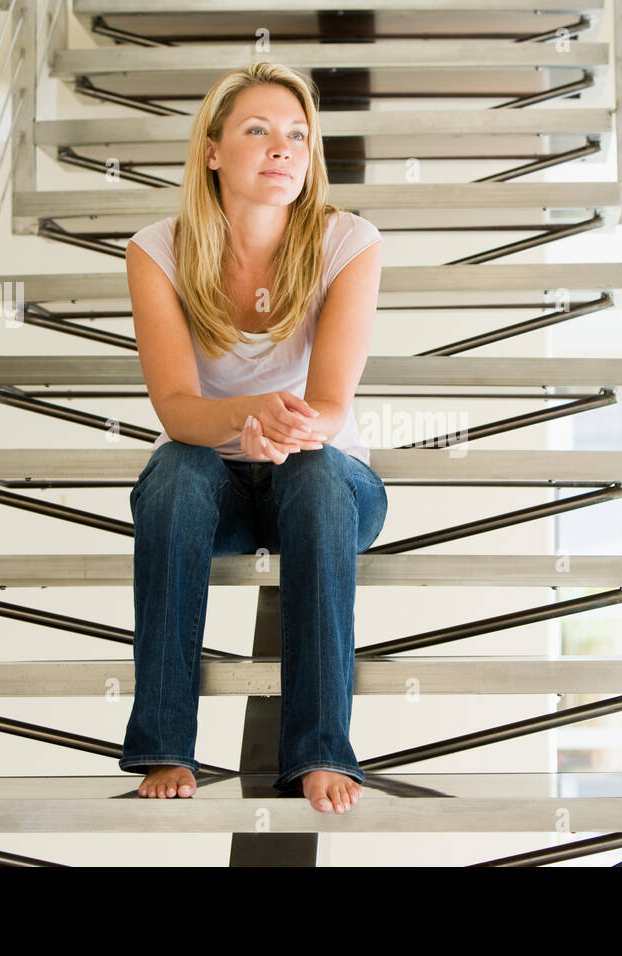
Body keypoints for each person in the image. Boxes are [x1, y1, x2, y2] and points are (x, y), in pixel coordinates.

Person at [119, 62, 387, 815]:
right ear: (212, 150)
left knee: (316, 472)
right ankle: (164, 744)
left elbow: (331, 403)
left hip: (326, 487)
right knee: (173, 470)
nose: (283, 148)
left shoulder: (348, 242)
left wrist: (294, 425)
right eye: (258, 130)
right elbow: (176, 408)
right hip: (219, 490)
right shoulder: (158, 251)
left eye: (298, 135)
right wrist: (247, 419)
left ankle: (320, 751)